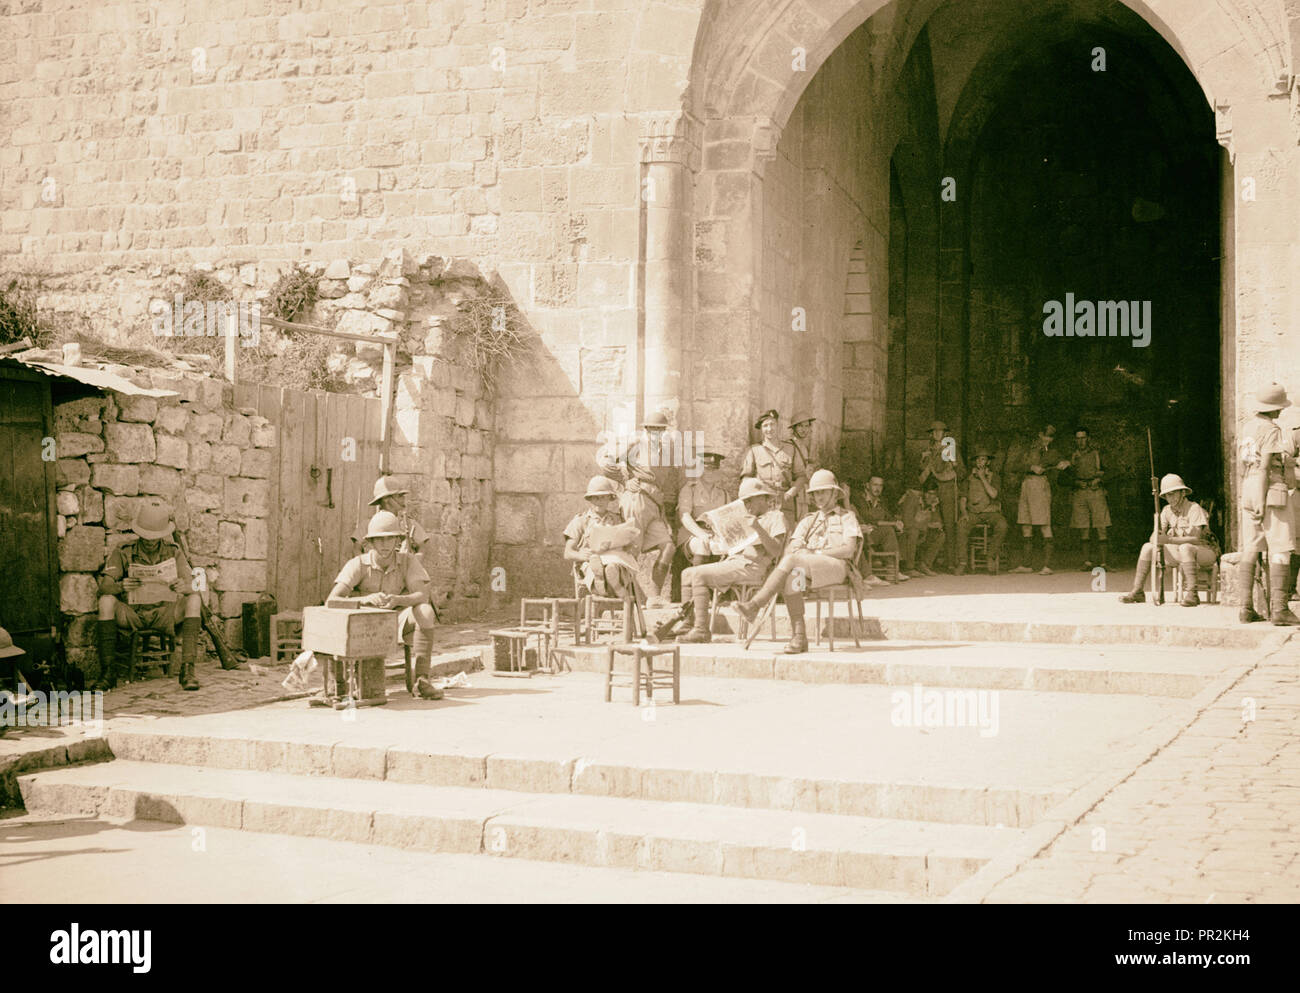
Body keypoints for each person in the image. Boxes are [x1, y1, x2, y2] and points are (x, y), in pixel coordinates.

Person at [737, 469, 863, 654]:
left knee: (793, 562)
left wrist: (815, 552)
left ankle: (755, 605)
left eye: (823, 492)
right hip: (810, 572)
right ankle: (799, 637)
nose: (818, 497)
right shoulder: (808, 521)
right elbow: (791, 549)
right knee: (791, 577)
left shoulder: (847, 517)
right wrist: (803, 553)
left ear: (835, 493)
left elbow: (848, 549)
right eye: (815, 493)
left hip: (838, 570)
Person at [329, 510, 442, 699]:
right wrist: (363, 600)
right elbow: (333, 600)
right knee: (336, 622)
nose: (385, 545)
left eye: (390, 539)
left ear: (397, 540)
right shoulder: (358, 564)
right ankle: (342, 683)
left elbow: (422, 594)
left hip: (395, 618)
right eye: (379, 540)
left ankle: (422, 680)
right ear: (370, 542)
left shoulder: (407, 561)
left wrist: (399, 600)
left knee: (425, 611)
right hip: (363, 623)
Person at [96, 498, 203, 691]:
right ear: (138, 533)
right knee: (105, 602)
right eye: (146, 537)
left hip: (164, 614)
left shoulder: (174, 552)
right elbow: (104, 586)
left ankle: (188, 670)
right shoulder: (123, 551)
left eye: (155, 537)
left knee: (194, 600)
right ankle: (108, 672)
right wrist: (121, 586)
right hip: (133, 613)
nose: (151, 542)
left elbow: (196, 585)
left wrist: (183, 586)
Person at [678, 478, 788, 643]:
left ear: (762, 498)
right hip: (734, 561)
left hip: (754, 566)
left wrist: (757, 527)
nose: (747, 505)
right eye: (745, 501)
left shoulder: (776, 517)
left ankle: (701, 630)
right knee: (687, 573)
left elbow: (776, 550)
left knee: (698, 575)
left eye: (750, 500)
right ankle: (688, 624)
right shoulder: (745, 517)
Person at [1237, 383, 1299, 625]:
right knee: (1281, 547)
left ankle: (1245, 608)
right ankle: (1280, 610)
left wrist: (1252, 495)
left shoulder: (1247, 428)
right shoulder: (1271, 429)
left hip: (1248, 486)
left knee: (1250, 547)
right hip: (1269, 488)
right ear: (1274, 409)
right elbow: (1265, 466)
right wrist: (1263, 498)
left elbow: (1244, 465)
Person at [1119, 474, 1218, 607]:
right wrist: (1156, 537)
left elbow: (1196, 538)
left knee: (1186, 547)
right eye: (1167, 495)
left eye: (1172, 494)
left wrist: (1169, 539)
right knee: (1147, 547)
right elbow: (1156, 535)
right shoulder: (1166, 511)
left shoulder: (1194, 508)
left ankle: (1192, 594)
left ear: (1183, 492)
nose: (1169, 498)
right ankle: (1138, 591)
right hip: (1180, 552)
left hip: (1204, 551)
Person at [1008, 424, 1071, 574]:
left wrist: (1066, 463)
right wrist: (1030, 467)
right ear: (1039, 434)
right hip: (1026, 485)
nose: (1048, 440)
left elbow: (1066, 462)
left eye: (1051, 437)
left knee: (1044, 524)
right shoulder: (1028, 449)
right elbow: (1013, 465)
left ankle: (1047, 566)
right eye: (1046, 436)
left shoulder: (1053, 452)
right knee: (1026, 524)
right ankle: (1027, 565)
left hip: (1040, 485)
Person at [563, 476, 637, 600]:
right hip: (591, 561)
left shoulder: (617, 519)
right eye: (596, 498)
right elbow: (567, 552)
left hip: (614, 559)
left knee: (614, 567)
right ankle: (604, 584)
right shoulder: (581, 521)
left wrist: (628, 545)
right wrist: (581, 556)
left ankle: (611, 582)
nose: (599, 501)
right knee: (593, 566)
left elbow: (629, 545)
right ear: (590, 499)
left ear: (609, 498)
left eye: (603, 497)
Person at [741, 409, 804, 530]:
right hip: (763, 502)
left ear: (778, 425)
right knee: (765, 536)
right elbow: (746, 479)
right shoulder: (753, 450)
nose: (769, 429)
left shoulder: (791, 449)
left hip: (785, 502)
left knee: (785, 536)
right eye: (765, 426)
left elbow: (801, 476)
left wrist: (790, 494)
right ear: (761, 429)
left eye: (772, 424)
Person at [918, 420, 966, 573]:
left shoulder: (951, 448)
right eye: (934, 431)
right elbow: (922, 472)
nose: (937, 434)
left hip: (948, 489)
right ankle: (929, 561)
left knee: (949, 525)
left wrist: (954, 464)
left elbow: (962, 472)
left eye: (940, 431)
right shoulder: (928, 450)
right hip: (933, 491)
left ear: (945, 434)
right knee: (932, 525)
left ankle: (951, 562)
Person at [955, 448, 1008, 575]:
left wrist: (983, 477)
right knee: (961, 526)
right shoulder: (968, 478)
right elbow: (962, 499)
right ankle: (962, 562)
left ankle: (991, 556)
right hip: (973, 513)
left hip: (991, 512)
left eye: (983, 459)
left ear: (988, 462)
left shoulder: (995, 477)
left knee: (1003, 525)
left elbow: (994, 494)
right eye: (978, 459)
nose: (980, 462)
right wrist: (964, 513)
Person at [1064, 427, 1111, 570]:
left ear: (1088, 438)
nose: (1081, 441)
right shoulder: (1072, 455)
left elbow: (1111, 472)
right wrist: (1075, 482)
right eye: (1078, 438)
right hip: (1080, 492)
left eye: (1083, 438)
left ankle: (1103, 563)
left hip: (1096, 491)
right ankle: (1087, 562)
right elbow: (1064, 478)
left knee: (1101, 526)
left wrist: (1100, 480)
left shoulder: (1097, 454)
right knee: (1083, 527)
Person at [350, 476, 430, 556]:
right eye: (399, 496)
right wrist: (365, 565)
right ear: (386, 498)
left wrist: (412, 564)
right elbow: (356, 549)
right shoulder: (367, 525)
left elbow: (422, 548)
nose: (403, 500)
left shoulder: (409, 524)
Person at [677, 451, 732, 566]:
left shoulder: (724, 494)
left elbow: (728, 520)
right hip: (692, 534)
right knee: (702, 545)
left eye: (714, 469)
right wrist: (701, 534)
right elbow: (685, 516)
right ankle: (694, 580)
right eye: (706, 469)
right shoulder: (689, 489)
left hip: (715, 534)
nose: (710, 473)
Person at [852, 475, 908, 582]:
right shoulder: (860, 500)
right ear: (867, 485)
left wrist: (897, 523)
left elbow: (888, 516)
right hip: (863, 532)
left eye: (880, 486)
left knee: (899, 531)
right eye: (875, 485)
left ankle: (893, 569)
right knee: (888, 530)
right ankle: (890, 570)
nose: (878, 488)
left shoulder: (881, 502)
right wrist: (892, 523)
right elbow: (868, 518)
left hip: (875, 533)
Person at [789, 412, 816, 518]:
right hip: (794, 489)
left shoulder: (804, 446)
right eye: (800, 426)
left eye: (806, 426)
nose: (803, 429)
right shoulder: (789, 445)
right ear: (794, 428)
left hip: (803, 492)